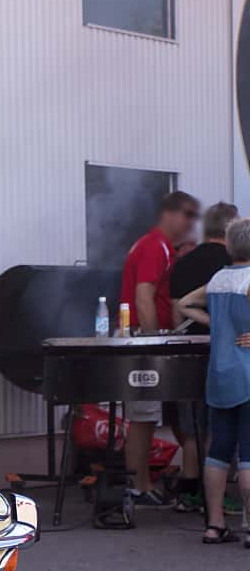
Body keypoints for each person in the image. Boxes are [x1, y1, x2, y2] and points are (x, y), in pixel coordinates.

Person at [119, 190, 200, 504]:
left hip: (144, 339)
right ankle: (138, 486)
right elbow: (144, 297)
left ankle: (143, 483)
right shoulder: (155, 246)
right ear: (170, 213)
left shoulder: (159, 246)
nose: (191, 223)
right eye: (188, 215)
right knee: (142, 416)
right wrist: (155, 343)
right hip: (144, 342)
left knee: (147, 416)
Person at [172, 216, 250, 543]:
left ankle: (214, 525)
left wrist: (216, 322)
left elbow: (185, 303)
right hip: (248, 374)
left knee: (218, 451)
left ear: (230, 245)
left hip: (219, 375)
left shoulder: (218, 279)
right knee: (248, 454)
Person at [162, 202, 239, 508]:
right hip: (229, 353)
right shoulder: (234, 264)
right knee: (220, 429)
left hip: (187, 353)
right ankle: (216, 498)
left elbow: (176, 314)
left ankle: (190, 492)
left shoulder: (183, 263)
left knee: (192, 427)